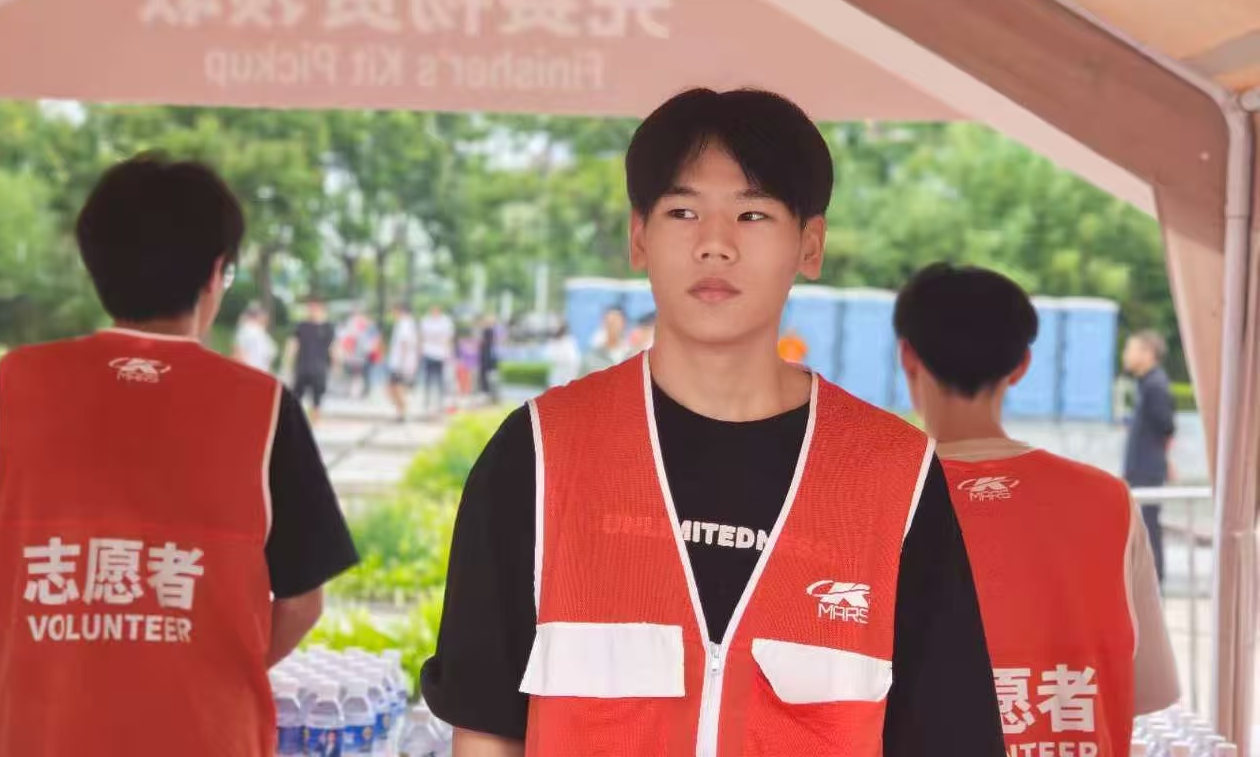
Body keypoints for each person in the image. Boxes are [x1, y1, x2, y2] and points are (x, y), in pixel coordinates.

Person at [422, 89, 1003, 757]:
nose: (715, 245)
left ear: (810, 245)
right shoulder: (539, 454)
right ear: (639, 237)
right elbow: (485, 728)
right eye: (683, 211)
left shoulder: (893, 476)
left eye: (753, 214)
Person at [0, 156, 359, 756]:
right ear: (215, 273)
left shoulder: (9, 388)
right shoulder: (262, 407)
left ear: (96, 266)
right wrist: (205, 666)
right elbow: (301, 601)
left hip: (31, 735)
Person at [895, 263, 1180, 757]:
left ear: (908, 357)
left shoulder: (874, 500)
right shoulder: (1108, 501)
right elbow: (1148, 689)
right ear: (1022, 365)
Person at [1121, 330, 1176, 585]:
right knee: (1139, 528)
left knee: (1148, 528)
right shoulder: (1146, 385)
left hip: (1148, 470)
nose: (1126, 355)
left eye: (1130, 349)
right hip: (1140, 469)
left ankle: (1154, 584)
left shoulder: (1155, 386)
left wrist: (1165, 461)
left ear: (1147, 353)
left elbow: (1167, 427)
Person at [285, 296, 336, 424]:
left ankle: (314, 422)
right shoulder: (301, 326)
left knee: (317, 398)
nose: (312, 310)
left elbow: (333, 347)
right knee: (296, 396)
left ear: (322, 309)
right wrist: (288, 363)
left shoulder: (328, 327)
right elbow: (293, 344)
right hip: (302, 367)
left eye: (315, 308)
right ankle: (293, 422)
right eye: (310, 308)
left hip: (319, 368)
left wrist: (336, 364)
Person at [420, 305, 456, 415]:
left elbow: (449, 338)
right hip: (428, 352)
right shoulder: (426, 320)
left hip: (441, 354)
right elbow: (422, 337)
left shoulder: (446, 321)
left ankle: (440, 401)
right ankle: (427, 401)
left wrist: (449, 353)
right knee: (428, 378)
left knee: (441, 379)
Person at [387, 302, 419, 423]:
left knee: (395, 387)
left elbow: (404, 343)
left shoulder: (405, 323)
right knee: (394, 387)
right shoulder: (406, 323)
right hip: (400, 361)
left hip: (400, 362)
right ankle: (401, 412)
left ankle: (403, 412)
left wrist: (402, 362)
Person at [581, 305, 630, 373]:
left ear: (624, 324)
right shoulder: (591, 357)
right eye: (609, 322)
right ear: (603, 324)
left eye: (615, 322)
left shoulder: (632, 355)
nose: (612, 326)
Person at [234, 301, 277, 373]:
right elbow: (239, 351)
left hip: (257, 372)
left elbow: (268, 362)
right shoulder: (248, 329)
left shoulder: (264, 335)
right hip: (251, 371)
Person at [542, 322, 581, 389]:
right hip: (558, 369)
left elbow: (573, 358)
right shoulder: (552, 342)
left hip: (569, 368)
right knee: (555, 385)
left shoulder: (569, 341)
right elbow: (549, 356)